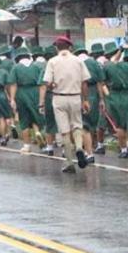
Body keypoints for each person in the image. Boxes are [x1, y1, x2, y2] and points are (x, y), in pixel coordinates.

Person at [42, 36, 91, 174]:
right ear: (70, 47)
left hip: (59, 98)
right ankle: (79, 148)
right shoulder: (78, 61)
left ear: (56, 48)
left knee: (64, 131)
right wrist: (85, 100)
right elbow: (84, 82)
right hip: (75, 97)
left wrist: (52, 85)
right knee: (77, 125)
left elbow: (48, 83)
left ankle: (69, 162)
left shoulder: (52, 61)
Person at [11, 46, 45, 153]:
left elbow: (13, 84)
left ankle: (26, 145)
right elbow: (42, 82)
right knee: (35, 115)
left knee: (24, 120)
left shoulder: (16, 68)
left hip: (21, 93)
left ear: (18, 57)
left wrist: (12, 99)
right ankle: (37, 132)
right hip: (35, 92)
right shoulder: (36, 66)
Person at [74, 42, 102, 165]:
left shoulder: (75, 62)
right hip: (93, 93)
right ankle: (91, 148)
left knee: (82, 124)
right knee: (92, 123)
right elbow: (100, 82)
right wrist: (101, 99)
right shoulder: (94, 63)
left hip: (78, 93)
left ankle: (87, 151)